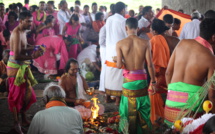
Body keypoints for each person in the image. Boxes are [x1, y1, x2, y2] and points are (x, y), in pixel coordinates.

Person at [164, 18, 215, 127]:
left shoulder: (182, 43)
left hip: (170, 106)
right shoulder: (210, 58)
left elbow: (168, 73)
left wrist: (174, 94)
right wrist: (212, 116)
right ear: (213, 37)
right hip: (191, 111)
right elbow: (212, 93)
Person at [116, 18, 156, 134]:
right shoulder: (145, 42)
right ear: (137, 28)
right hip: (142, 80)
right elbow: (150, 65)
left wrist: (121, 60)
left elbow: (119, 66)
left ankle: (128, 131)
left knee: (127, 109)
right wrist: (153, 82)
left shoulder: (120, 44)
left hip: (129, 81)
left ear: (126, 28)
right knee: (143, 108)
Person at [7, 11, 44, 134]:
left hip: (22, 66)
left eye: (31, 21)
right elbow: (17, 55)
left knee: (26, 94)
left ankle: (23, 118)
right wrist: (33, 56)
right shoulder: (17, 33)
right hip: (15, 68)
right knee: (16, 97)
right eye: (28, 21)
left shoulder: (23, 31)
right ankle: (16, 124)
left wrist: (35, 47)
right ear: (21, 21)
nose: (30, 24)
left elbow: (25, 45)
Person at [149, 19, 179, 125]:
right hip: (175, 75)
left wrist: (152, 81)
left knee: (153, 95)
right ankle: (172, 122)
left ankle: (158, 122)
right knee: (173, 100)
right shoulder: (176, 40)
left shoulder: (154, 40)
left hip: (159, 76)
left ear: (155, 31)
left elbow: (151, 63)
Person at [104, 2, 127, 106]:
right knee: (119, 74)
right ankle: (118, 100)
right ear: (122, 10)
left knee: (109, 73)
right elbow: (127, 35)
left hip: (109, 50)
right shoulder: (123, 20)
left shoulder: (109, 19)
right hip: (119, 50)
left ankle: (107, 97)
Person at [98, 25, 106, 93]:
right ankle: (103, 88)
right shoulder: (104, 28)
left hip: (108, 49)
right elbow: (101, 42)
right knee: (104, 67)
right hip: (105, 49)